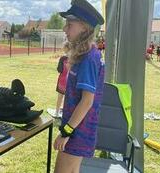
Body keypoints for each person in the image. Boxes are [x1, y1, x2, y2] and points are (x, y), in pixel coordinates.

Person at [53, 0, 105, 172]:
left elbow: (86, 101)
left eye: (69, 25)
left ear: (84, 27)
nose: (64, 29)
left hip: (77, 133)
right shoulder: (84, 55)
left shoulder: (89, 58)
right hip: (76, 131)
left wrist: (66, 132)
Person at [54, 42, 71, 118]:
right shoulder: (74, 58)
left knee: (60, 97)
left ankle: (57, 112)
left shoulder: (62, 58)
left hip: (62, 80)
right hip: (70, 80)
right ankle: (65, 112)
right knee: (67, 98)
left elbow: (59, 69)